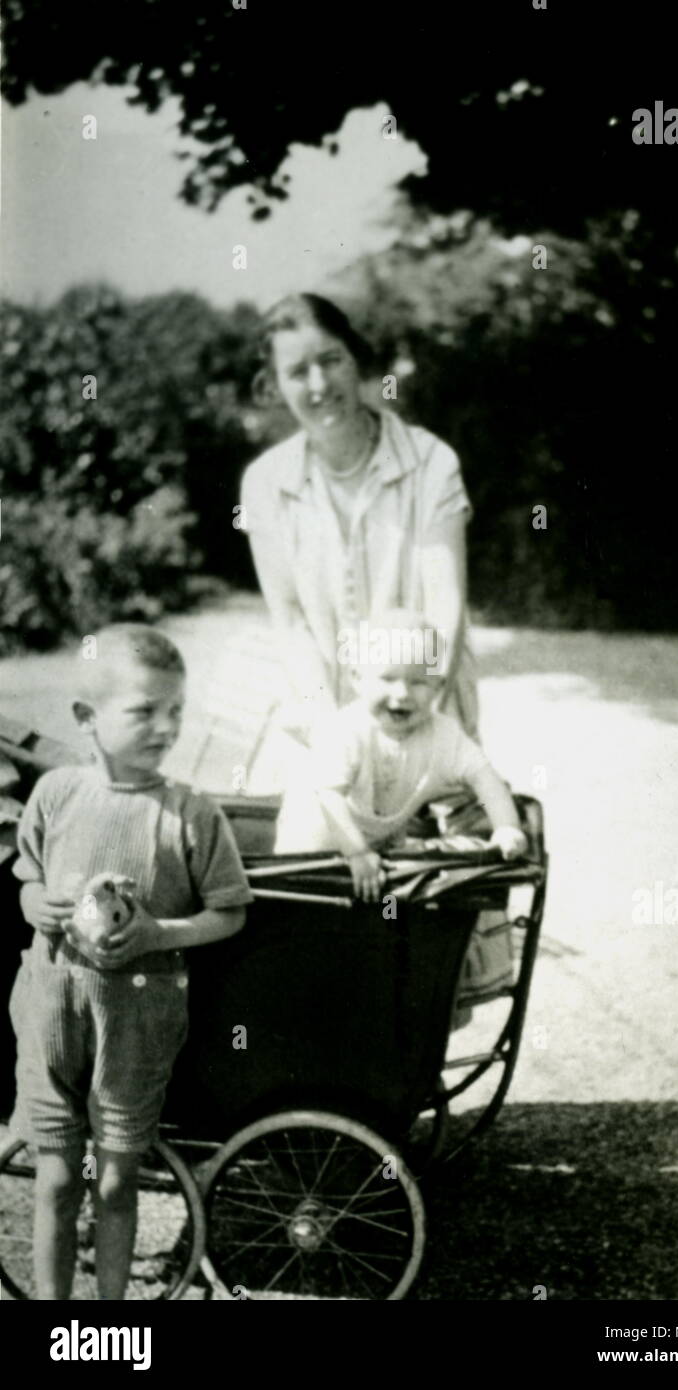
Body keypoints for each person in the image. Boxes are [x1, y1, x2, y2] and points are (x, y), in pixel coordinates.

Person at [8, 624, 253, 1300]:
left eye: (176, 710)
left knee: (115, 1181)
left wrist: (157, 933)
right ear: (87, 720)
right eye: (144, 711)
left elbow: (230, 910)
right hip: (50, 1013)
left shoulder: (191, 814)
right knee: (56, 1180)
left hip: (135, 1027)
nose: (166, 727)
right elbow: (27, 875)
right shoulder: (56, 795)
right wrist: (35, 904)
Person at [239, 293, 479, 789]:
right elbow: (292, 623)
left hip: (427, 711)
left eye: (332, 361)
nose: (320, 384)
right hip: (329, 720)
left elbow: (445, 603)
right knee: (318, 855)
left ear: (357, 360)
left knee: (454, 861)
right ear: (274, 386)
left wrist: (414, 710)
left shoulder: (431, 462)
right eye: (298, 372)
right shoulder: (265, 482)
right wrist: (331, 731)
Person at [274, 609, 528, 900]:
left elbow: (485, 778)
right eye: (387, 678)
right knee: (300, 893)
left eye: (418, 681)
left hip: (379, 840)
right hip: (317, 831)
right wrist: (356, 852)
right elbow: (329, 797)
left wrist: (506, 827)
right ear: (357, 678)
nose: (403, 692)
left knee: (383, 895)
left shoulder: (444, 735)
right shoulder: (347, 730)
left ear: (438, 686)